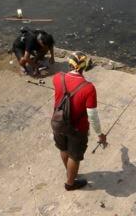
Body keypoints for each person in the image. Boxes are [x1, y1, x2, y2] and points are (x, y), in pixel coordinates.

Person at [51, 51, 107, 191]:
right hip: (77, 129)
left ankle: (69, 172)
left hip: (58, 123)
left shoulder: (57, 77)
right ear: (84, 67)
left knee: (63, 148)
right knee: (74, 156)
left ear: (69, 64)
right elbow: (92, 116)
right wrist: (100, 134)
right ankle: (70, 183)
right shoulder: (88, 88)